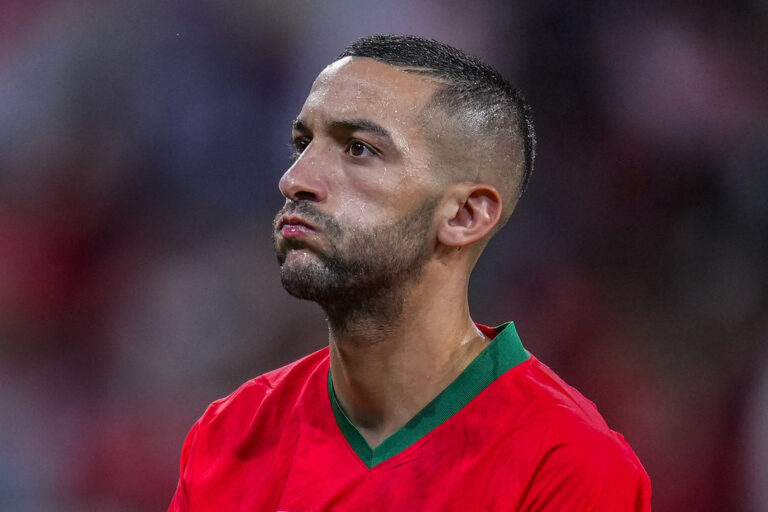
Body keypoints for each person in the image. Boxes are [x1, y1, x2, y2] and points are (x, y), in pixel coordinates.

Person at [169, 34, 651, 511]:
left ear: (464, 215)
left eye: (358, 148)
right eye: (303, 143)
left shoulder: (566, 465)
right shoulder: (227, 436)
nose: (294, 180)